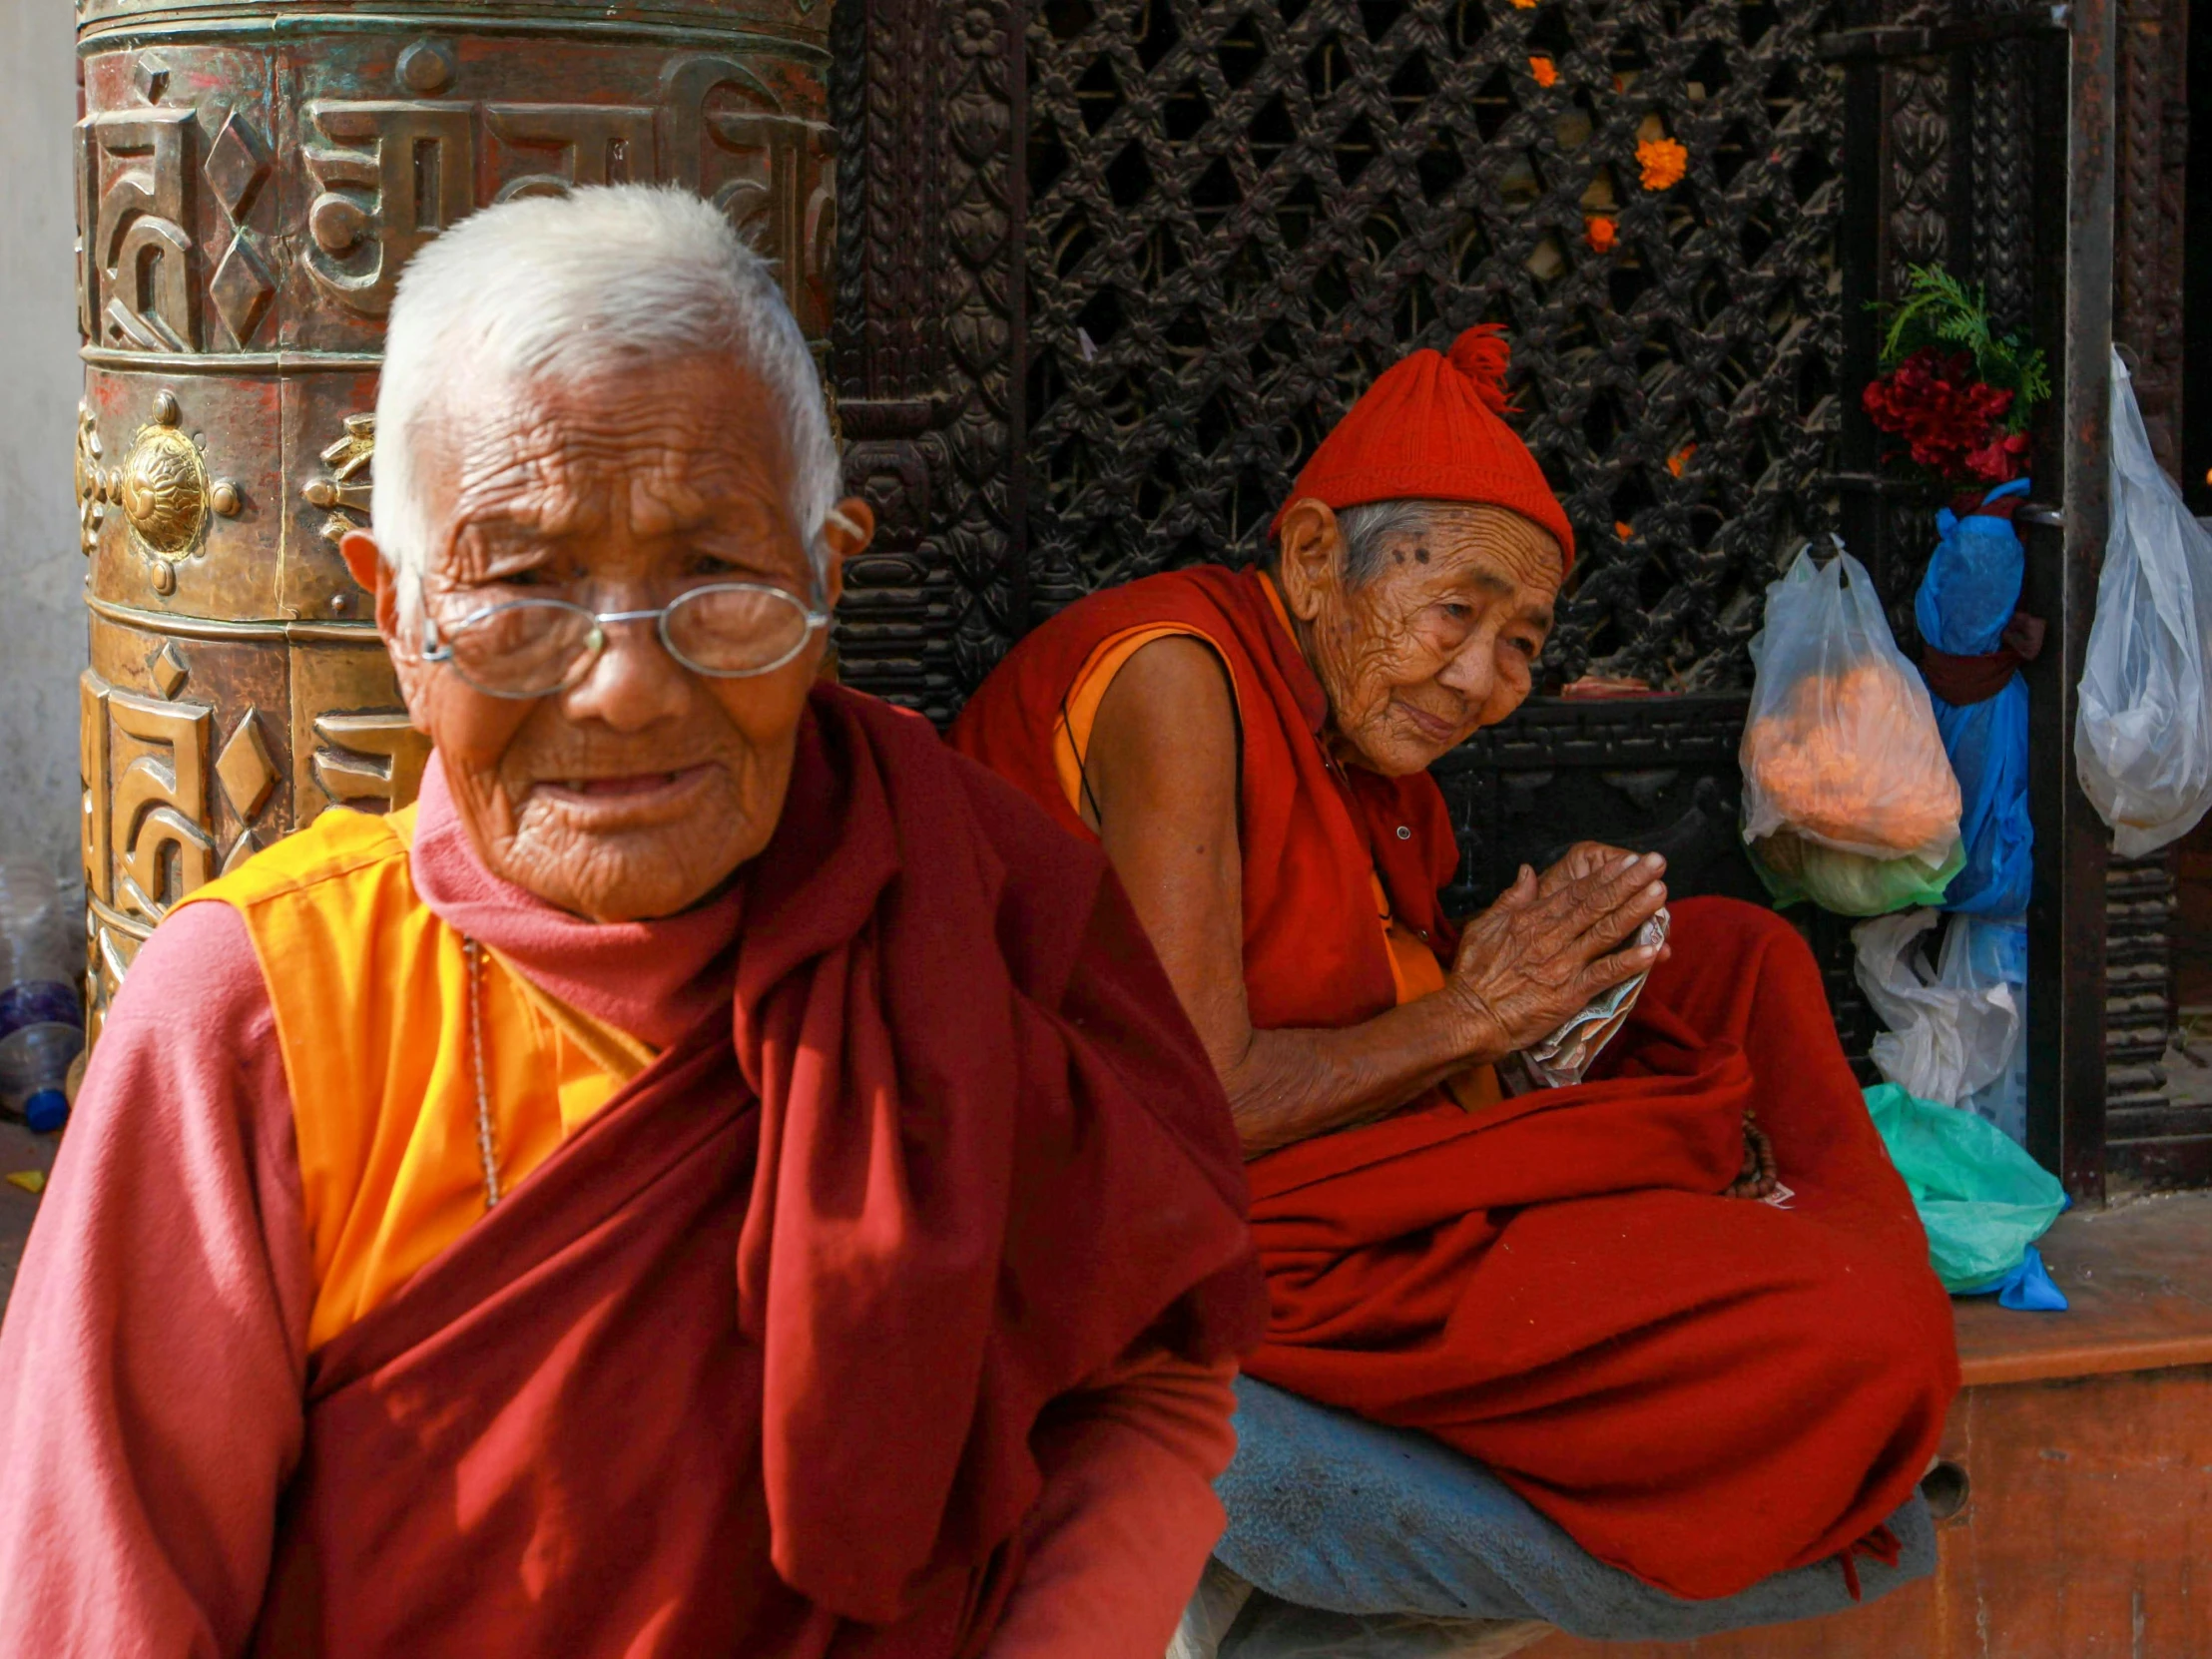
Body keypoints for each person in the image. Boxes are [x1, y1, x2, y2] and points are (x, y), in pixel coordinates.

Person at [0, 186, 1265, 1658]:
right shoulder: (259, 1012)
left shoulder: (968, 902)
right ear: (397, 616)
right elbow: (102, 1607)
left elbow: (1148, 1366)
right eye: (522, 586)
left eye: (716, 577)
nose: (626, 688)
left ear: (825, 573)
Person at [950, 325, 1959, 1603]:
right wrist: (1480, 1013)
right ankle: (1778, 1288)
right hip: (1180, 1207)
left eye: (1522, 643)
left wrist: (1536, 1021)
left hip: (1363, 1139)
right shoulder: (1174, 680)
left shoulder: (1348, 736)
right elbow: (1194, 1102)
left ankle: (1764, 1235)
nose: (1480, 681)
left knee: (1730, 957)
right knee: (1866, 1344)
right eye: (1453, 613)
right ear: (1316, 559)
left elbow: (1362, 982)